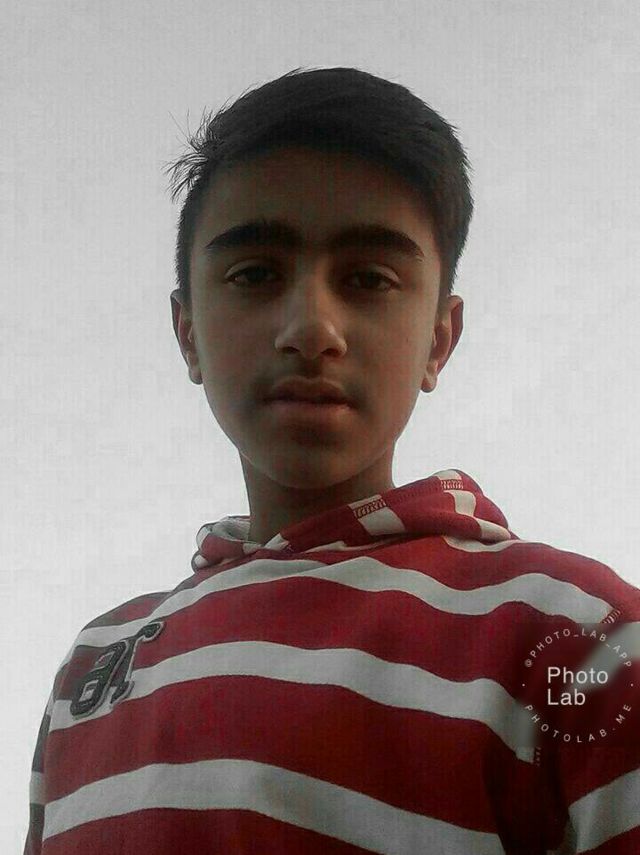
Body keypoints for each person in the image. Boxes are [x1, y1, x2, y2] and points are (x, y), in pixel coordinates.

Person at [24, 66, 640, 855]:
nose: (311, 328)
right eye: (254, 274)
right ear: (187, 333)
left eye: (368, 279)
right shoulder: (92, 665)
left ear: (439, 340)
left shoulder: (574, 634)